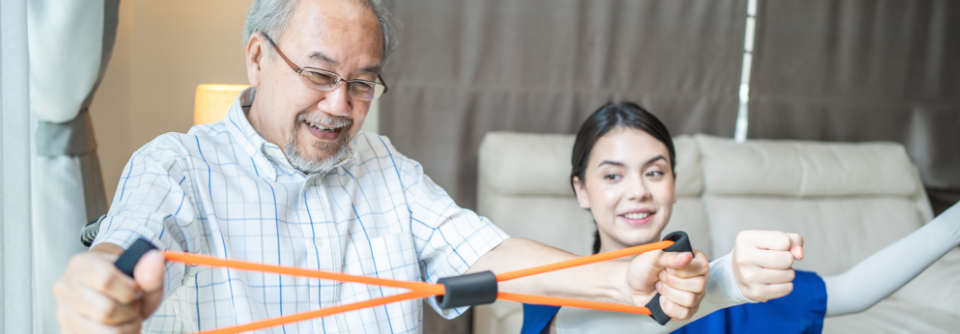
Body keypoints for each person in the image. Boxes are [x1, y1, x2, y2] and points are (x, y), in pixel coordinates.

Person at [52, 1, 713, 333]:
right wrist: (101, 286)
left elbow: (484, 252)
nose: (340, 105)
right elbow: (132, 246)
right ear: (257, 58)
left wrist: (621, 277)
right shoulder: (180, 164)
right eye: (318, 75)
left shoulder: (385, 167)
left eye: (364, 83)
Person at [520, 102, 960, 334]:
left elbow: (850, 292)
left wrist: (954, 223)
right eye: (613, 175)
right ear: (581, 189)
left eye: (655, 171)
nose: (638, 189)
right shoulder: (550, 294)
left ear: (674, 182)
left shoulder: (732, 289)